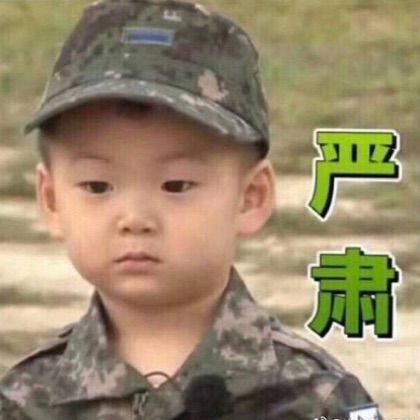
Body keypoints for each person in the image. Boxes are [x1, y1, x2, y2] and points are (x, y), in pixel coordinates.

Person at [0, 0, 383, 419]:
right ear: (51, 200)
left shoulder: (313, 397)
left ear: (251, 197)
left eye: (176, 185)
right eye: (97, 187)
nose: (135, 219)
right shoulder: (25, 401)